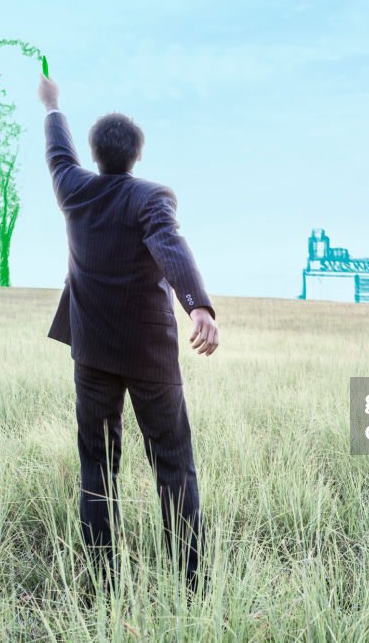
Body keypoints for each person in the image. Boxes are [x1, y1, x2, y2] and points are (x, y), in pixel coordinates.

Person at [38, 74, 219, 591]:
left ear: (96, 155)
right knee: (173, 467)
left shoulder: (74, 190)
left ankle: (101, 583)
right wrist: (198, 307)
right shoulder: (150, 196)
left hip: (92, 351)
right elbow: (170, 244)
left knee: (98, 465)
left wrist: (52, 106)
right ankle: (191, 583)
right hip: (149, 356)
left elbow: (57, 154)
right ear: (136, 157)